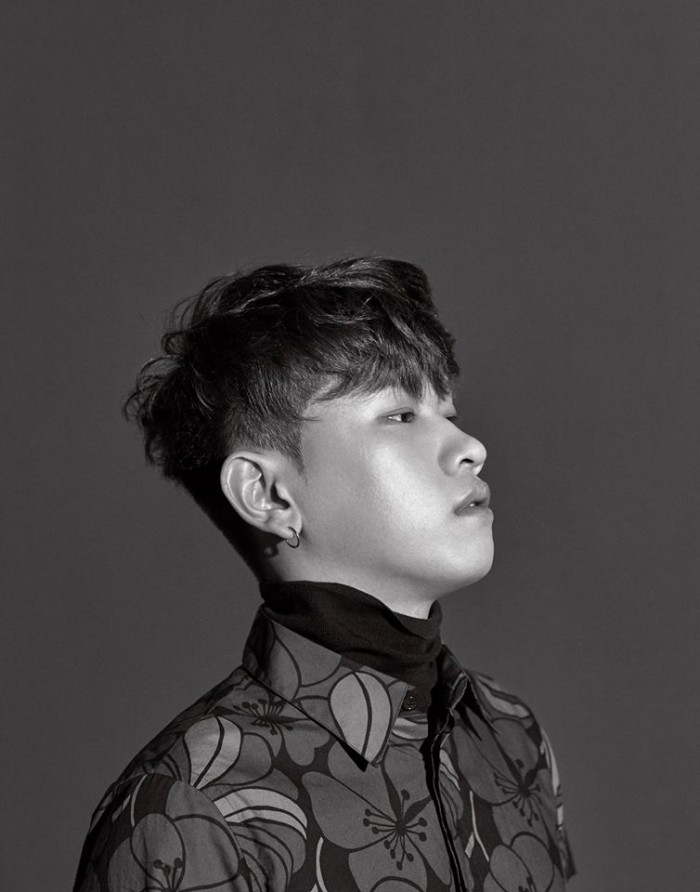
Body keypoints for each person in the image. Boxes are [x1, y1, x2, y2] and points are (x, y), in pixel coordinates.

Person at [73, 257, 576, 891]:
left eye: (447, 412)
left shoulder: (511, 734)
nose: (470, 446)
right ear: (267, 495)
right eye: (400, 415)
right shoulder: (187, 810)